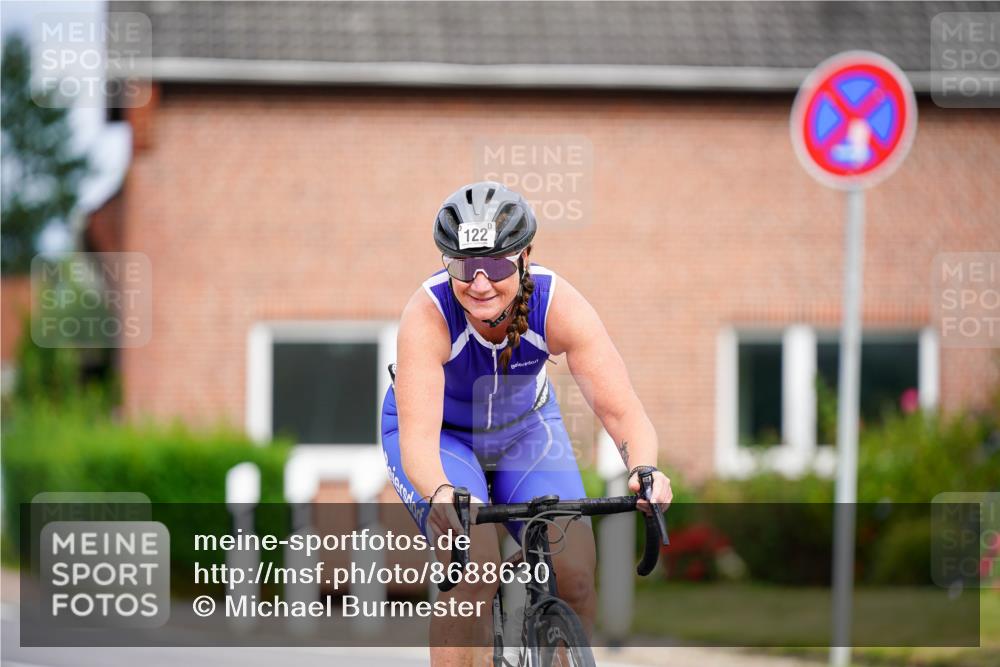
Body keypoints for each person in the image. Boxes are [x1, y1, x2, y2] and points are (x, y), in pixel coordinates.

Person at [381, 181, 672, 666]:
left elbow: (621, 410)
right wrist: (440, 492)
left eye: (495, 265)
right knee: (474, 568)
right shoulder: (427, 314)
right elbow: (418, 444)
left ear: (525, 256)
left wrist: (645, 469)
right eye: (463, 266)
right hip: (442, 439)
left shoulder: (557, 305)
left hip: (525, 431)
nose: (479, 283)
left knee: (576, 571)